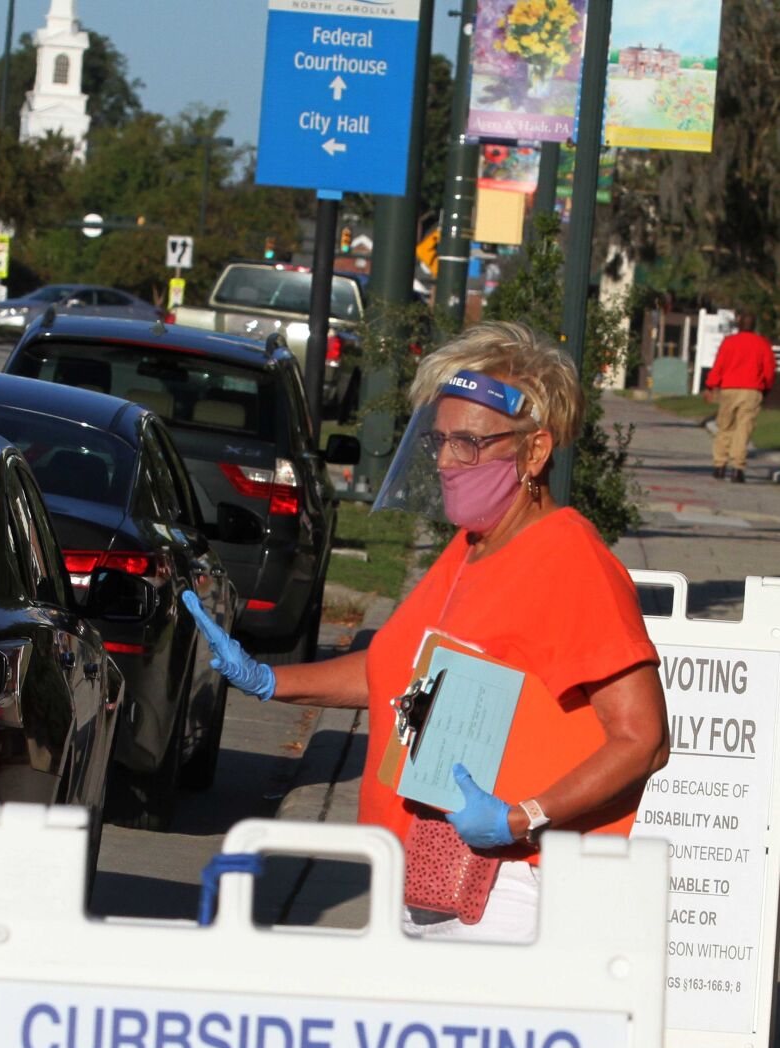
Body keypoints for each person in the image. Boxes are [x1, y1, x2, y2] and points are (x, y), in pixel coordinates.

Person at [185, 320, 670, 943]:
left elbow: (643, 739)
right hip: (427, 874)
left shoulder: (570, 560)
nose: (444, 460)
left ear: (535, 450)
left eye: (469, 444)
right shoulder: (472, 547)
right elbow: (404, 675)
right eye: (438, 440)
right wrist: (269, 678)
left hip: (511, 892)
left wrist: (523, 817)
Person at [704, 312, 774, 482]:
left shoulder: (729, 342)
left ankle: (719, 465)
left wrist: (711, 386)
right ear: (754, 325)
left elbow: (719, 365)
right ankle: (738, 468)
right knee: (744, 429)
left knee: (725, 427)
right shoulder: (762, 343)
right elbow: (769, 369)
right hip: (752, 390)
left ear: (740, 324)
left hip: (729, 389)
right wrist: (765, 388)